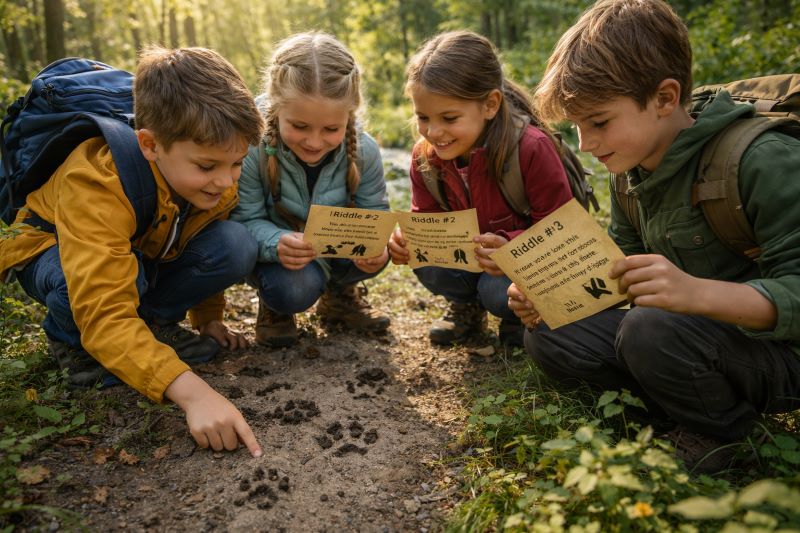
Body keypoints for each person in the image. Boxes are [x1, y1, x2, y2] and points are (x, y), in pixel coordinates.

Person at [509, 0, 800, 473]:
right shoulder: (628, 171)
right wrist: (554, 295)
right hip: (681, 340)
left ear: (665, 98)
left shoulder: (762, 160)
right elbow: (620, 268)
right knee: (551, 336)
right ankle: (675, 411)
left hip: (775, 355)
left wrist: (695, 294)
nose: (585, 144)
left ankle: (723, 435)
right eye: (577, 126)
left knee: (650, 327)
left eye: (599, 122)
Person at [0, 46, 266, 457]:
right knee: (91, 289)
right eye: (208, 166)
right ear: (149, 144)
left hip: (138, 253)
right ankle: (73, 342)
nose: (226, 181)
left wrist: (209, 319)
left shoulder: (216, 178)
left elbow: (203, 230)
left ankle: (149, 328)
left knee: (235, 244)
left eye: (237, 164)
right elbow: (104, 307)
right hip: (55, 252)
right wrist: (194, 394)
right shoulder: (95, 179)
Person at [387, 30, 573, 347]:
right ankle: (466, 309)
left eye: (449, 117)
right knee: (429, 265)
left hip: (525, 264)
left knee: (496, 292)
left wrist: (510, 247)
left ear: (489, 105)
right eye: (422, 117)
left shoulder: (530, 148)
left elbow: (563, 230)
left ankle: (519, 315)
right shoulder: (424, 157)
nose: (433, 132)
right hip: (470, 258)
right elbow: (427, 219)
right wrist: (412, 241)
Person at [232, 32, 390, 348]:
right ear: (277, 108)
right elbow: (242, 218)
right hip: (281, 258)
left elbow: (375, 214)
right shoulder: (252, 146)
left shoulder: (365, 151)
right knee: (293, 289)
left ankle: (340, 298)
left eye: (331, 129)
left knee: (378, 253)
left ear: (350, 114)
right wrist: (277, 242)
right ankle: (275, 307)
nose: (314, 142)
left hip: (338, 249)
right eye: (300, 127)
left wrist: (377, 248)